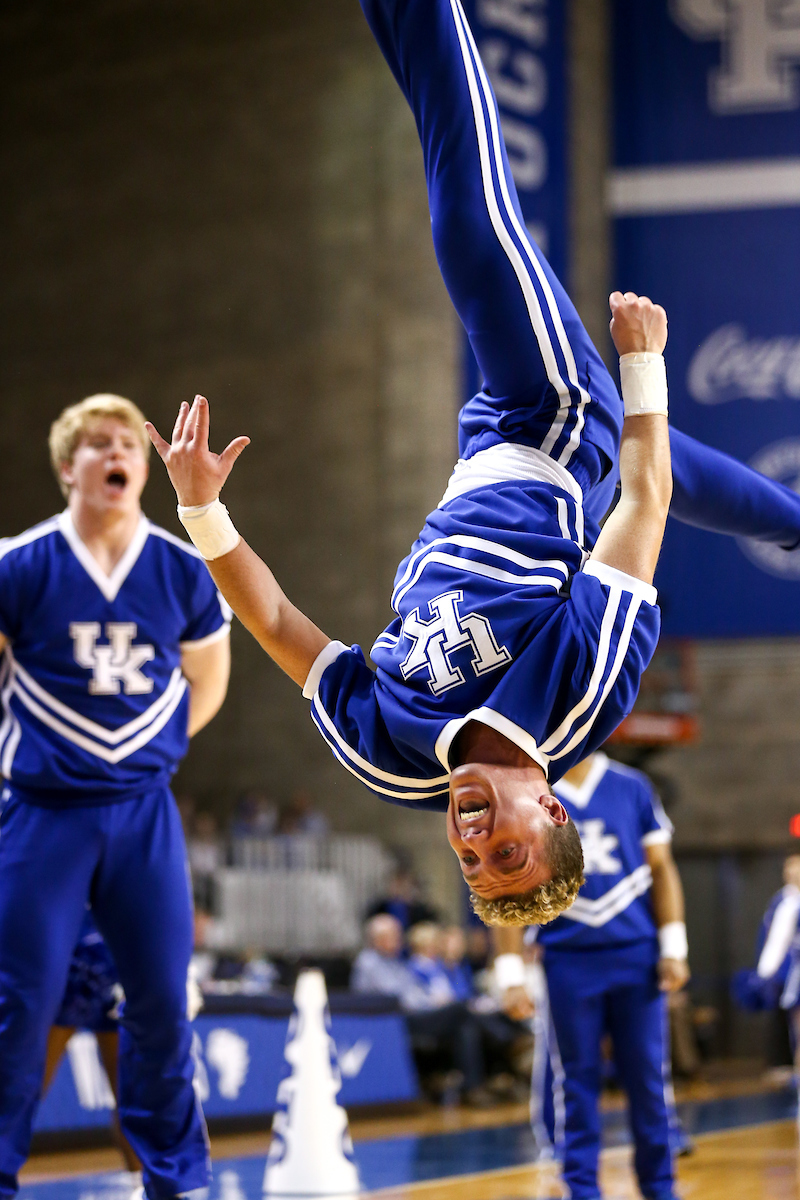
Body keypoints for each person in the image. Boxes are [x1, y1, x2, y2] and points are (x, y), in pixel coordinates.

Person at [147, 0, 800, 927]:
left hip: (482, 448)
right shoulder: (582, 696)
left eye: (472, 864)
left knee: (683, 467)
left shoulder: (388, 757)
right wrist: (644, 361)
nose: (473, 840)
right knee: (471, 230)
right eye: (508, 851)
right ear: (552, 804)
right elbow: (645, 504)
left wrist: (202, 512)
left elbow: (279, 622)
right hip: (554, 425)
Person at [0, 394, 232, 1200]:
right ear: (70, 467)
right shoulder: (18, 565)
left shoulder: (180, 567)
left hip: (141, 813)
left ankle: (177, 1181)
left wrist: (143, 754)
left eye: (123, 443)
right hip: (40, 812)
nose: (112, 454)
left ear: (140, 466)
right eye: (94, 444)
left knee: (165, 1003)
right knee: (18, 1008)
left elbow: (207, 683)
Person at [494, 752, 689, 1200]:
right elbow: (505, 878)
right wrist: (509, 971)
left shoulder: (632, 786)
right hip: (567, 957)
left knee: (647, 1078)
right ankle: (581, 1189)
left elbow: (661, 866)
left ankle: (661, 1188)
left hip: (635, 954)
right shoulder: (525, 789)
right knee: (574, 1081)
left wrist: (674, 946)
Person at [352, 914, 490, 1104]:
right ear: (377, 938)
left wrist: (430, 1001)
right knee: (460, 1010)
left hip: (413, 1015)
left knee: (465, 1025)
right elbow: (398, 998)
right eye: (393, 935)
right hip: (395, 1021)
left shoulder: (395, 961)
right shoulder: (369, 962)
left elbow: (415, 991)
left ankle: (473, 1086)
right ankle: (505, 1042)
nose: (399, 940)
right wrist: (431, 1003)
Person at [42, 912, 139, 1178]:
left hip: (114, 956)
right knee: (24, 1088)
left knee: (129, 1096)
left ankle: (140, 1186)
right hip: (71, 953)